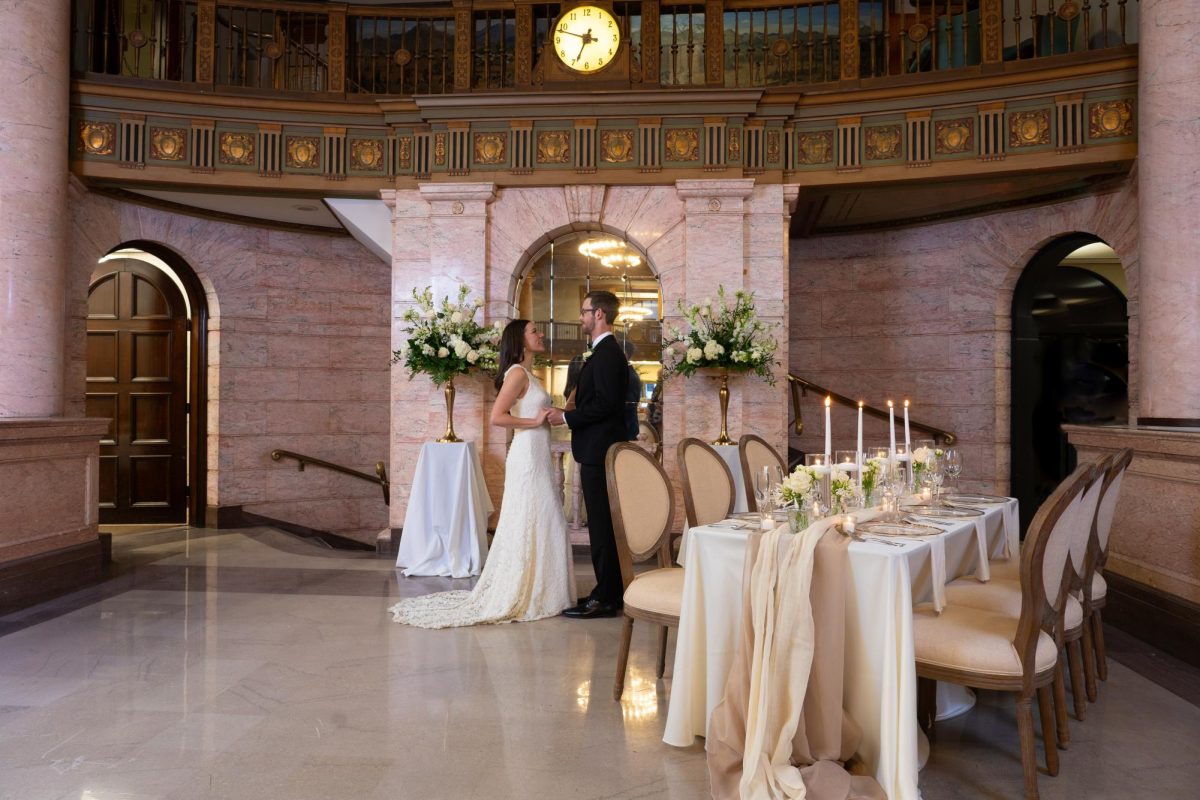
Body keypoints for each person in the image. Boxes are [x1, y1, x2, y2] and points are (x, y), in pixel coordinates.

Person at [388, 320, 576, 628]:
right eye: (533, 331)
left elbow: (535, 414)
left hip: (537, 453)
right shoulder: (517, 373)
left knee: (543, 518)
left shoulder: (530, 374)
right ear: (519, 339)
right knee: (539, 517)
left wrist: (560, 413)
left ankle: (542, 591)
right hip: (527, 455)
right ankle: (530, 592)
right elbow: (497, 417)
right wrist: (532, 423)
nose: (540, 334)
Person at [548, 291, 628, 618]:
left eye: (584, 312)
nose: (579, 317)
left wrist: (566, 417)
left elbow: (606, 405)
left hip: (599, 452)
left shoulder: (608, 353)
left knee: (602, 527)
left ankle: (607, 597)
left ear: (599, 315)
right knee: (599, 525)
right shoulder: (601, 352)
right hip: (594, 450)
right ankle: (605, 590)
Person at [623, 339, 642, 441]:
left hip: (626, 429)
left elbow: (629, 404)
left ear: (624, 354)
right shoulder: (627, 372)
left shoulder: (628, 375)